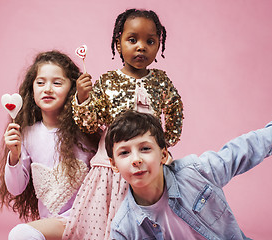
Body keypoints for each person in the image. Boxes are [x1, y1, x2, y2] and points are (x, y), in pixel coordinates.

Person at [106, 92, 272, 240]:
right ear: (114, 165)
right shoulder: (123, 228)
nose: (136, 159)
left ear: (163, 154)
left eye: (145, 149)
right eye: (124, 152)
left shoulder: (196, 171)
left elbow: (242, 150)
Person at [63, 8, 184, 240]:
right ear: (118, 44)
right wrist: (82, 98)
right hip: (112, 170)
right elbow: (90, 124)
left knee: (147, 225)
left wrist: (164, 144)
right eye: (132, 40)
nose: (141, 46)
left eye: (150, 41)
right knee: (108, 226)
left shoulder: (161, 82)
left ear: (159, 45)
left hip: (149, 168)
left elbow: (175, 111)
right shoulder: (108, 81)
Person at [0, 50, 100, 240]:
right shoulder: (26, 134)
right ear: (31, 88)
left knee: (20, 234)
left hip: (88, 221)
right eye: (40, 82)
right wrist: (14, 156)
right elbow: (16, 188)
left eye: (57, 83)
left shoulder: (87, 131)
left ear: (72, 89)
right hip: (53, 227)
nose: (48, 89)